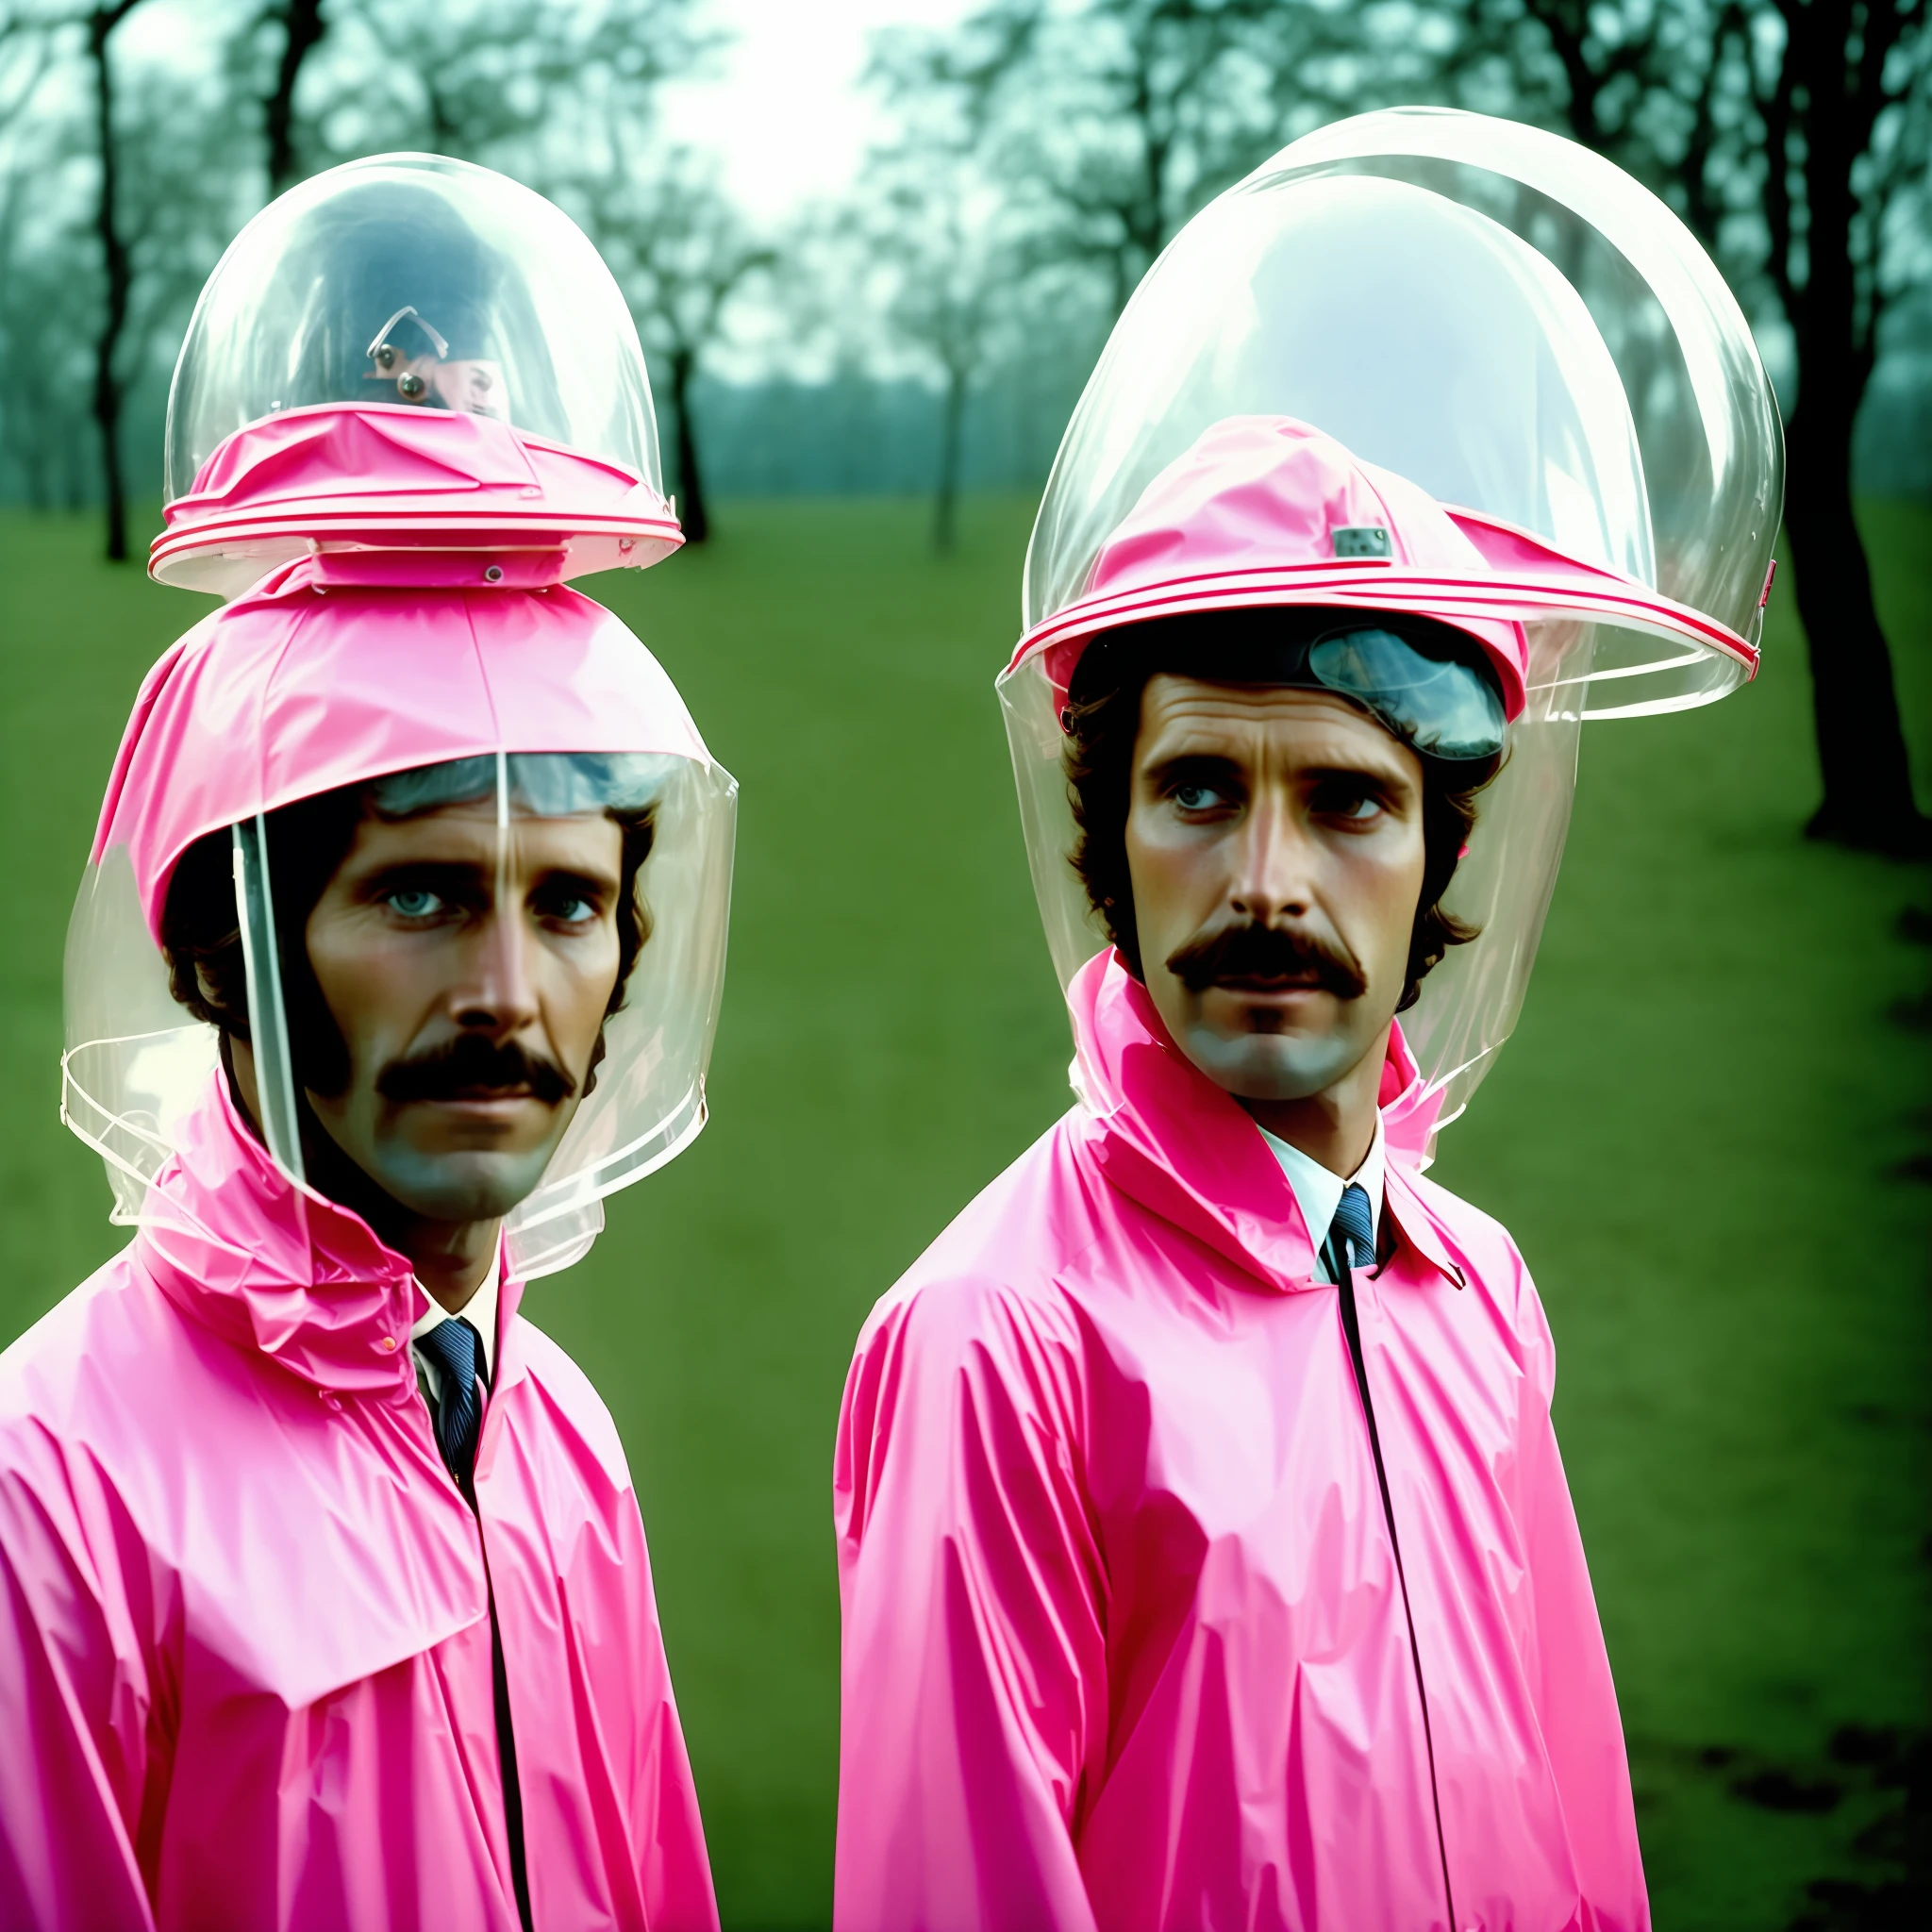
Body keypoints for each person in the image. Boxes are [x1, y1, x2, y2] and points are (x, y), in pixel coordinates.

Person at [833, 109, 1784, 1931]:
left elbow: (1577, 1834)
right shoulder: (996, 1341)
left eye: (1346, 801)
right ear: (1108, 833)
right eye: (1198, 788)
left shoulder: (1477, 1292)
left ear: (1440, 850)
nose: (1266, 879)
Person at [0, 157, 732, 1931]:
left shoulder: (562, 1436)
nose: (507, 991)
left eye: (566, 902)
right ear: (217, 950)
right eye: (417, 898)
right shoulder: (51, 1496)